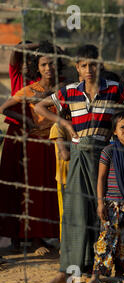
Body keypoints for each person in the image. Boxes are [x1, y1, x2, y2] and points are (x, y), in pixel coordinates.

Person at [34, 44, 124, 283]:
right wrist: (64, 122)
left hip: (105, 157)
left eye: (93, 64)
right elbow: (39, 107)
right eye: (83, 65)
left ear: (100, 65)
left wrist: (120, 133)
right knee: (75, 212)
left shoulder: (114, 89)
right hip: (78, 155)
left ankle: (99, 270)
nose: (88, 69)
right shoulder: (69, 91)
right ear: (77, 68)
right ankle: (67, 271)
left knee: (103, 213)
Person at [0, 41, 65, 254]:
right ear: (37, 66)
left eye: (52, 64)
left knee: (49, 193)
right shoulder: (28, 88)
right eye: (44, 64)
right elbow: (5, 108)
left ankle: (46, 236)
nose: (48, 68)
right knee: (29, 192)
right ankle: (31, 240)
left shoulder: (64, 87)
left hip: (54, 144)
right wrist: (26, 121)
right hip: (32, 144)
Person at [78, 111, 124, 283]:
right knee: (106, 241)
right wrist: (100, 203)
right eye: (122, 127)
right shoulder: (108, 151)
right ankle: (95, 277)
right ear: (115, 132)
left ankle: (120, 274)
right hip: (112, 206)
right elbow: (101, 179)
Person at [49, 122, 71, 241]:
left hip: (79, 175)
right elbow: (65, 155)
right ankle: (65, 246)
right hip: (65, 178)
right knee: (66, 214)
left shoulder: (80, 123)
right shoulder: (57, 127)